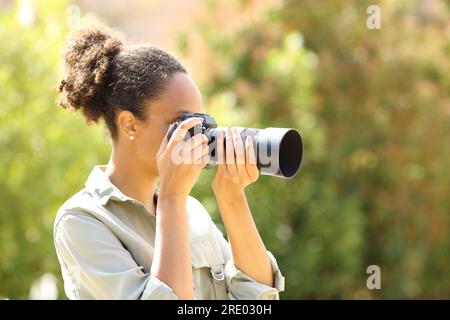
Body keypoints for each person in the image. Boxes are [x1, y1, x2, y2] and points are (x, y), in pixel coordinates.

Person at [53, 25, 285, 300]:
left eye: (201, 123)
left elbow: (257, 301)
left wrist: (232, 198)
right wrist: (172, 198)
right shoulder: (82, 220)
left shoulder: (193, 213)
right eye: (181, 123)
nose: (196, 136)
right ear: (130, 124)